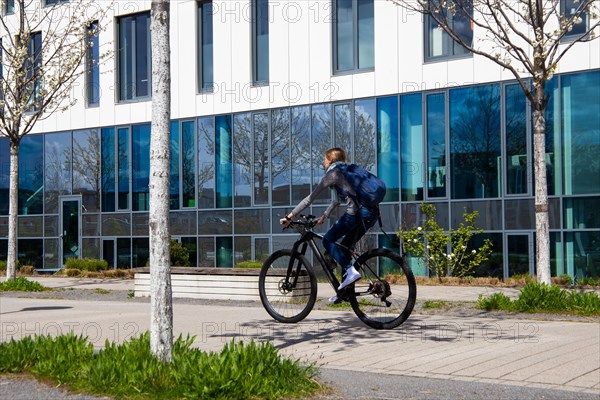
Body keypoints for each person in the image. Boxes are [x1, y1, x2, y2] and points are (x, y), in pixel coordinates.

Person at [281, 147, 379, 301]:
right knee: (344, 250)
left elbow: (309, 198)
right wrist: (324, 216)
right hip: (371, 213)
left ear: (331, 160)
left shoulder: (332, 174)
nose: (323, 163)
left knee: (327, 240)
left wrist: (289, 215)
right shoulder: (348, 171)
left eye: (325, 159)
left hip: (356, 214)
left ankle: (350, 271)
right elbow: (337, 200)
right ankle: (344, 293)